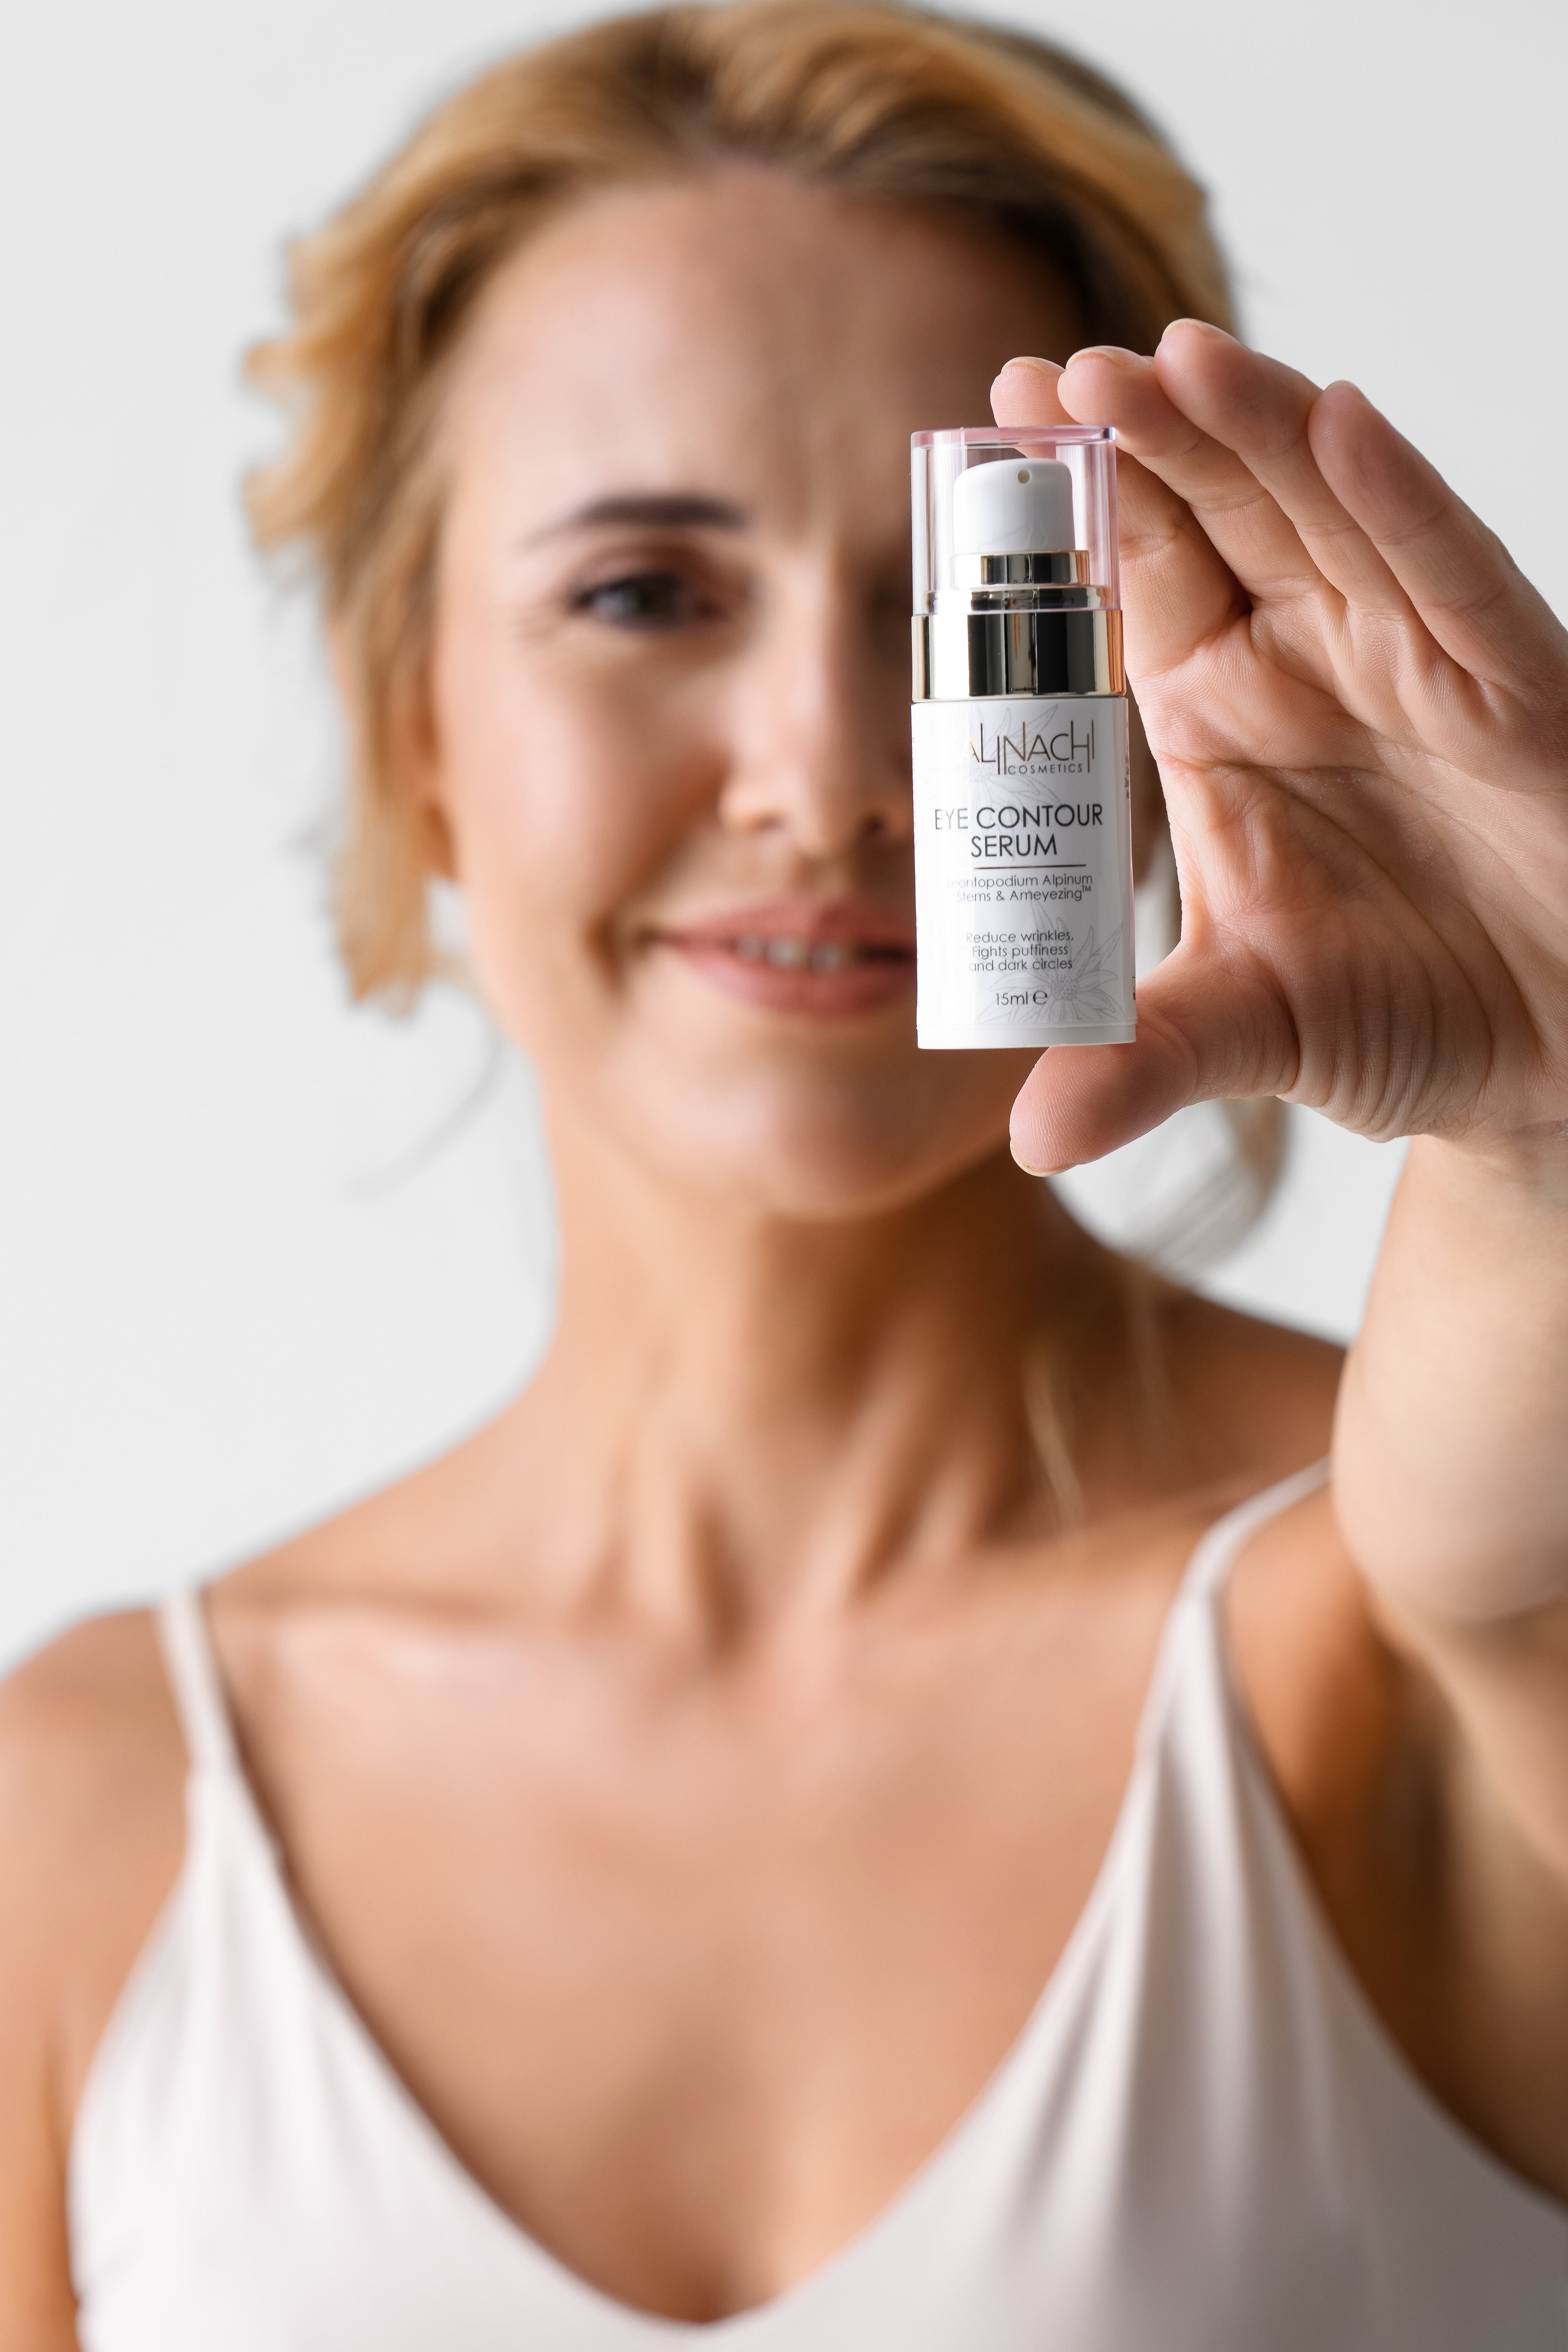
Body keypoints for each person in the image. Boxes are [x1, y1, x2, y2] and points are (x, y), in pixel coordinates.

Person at [2, 4, 1565, 2345]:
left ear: (1155, 704)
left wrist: (1550, 1141)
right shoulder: (91, 1809)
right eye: (647, 593)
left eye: (973, 608)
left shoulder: (1429, 1635)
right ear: (412, 718)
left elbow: (1512, 1537)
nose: (828, 773)